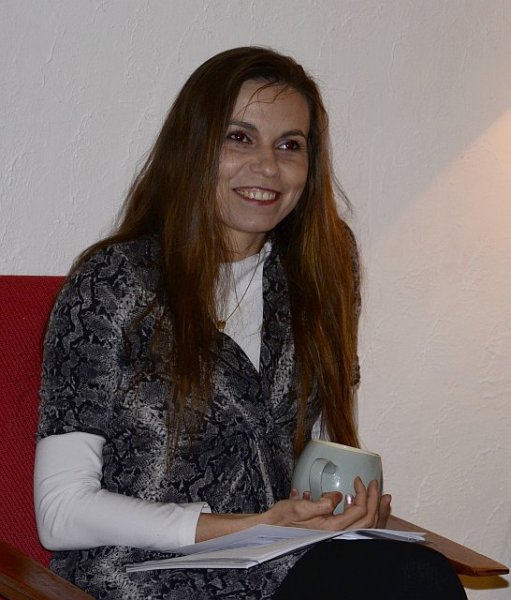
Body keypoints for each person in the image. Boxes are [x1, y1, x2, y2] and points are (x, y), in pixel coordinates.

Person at [34, 46, 467, 599]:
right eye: (239, 137)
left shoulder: (320, 269)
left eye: (290, 145)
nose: (267, 166)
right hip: (145, 576)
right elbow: (61, 512)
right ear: (193, 147)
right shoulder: (113, 283)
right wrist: (245, 525)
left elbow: (322, 446)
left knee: (414, 575)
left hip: (281, 567)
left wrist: (343, 509)